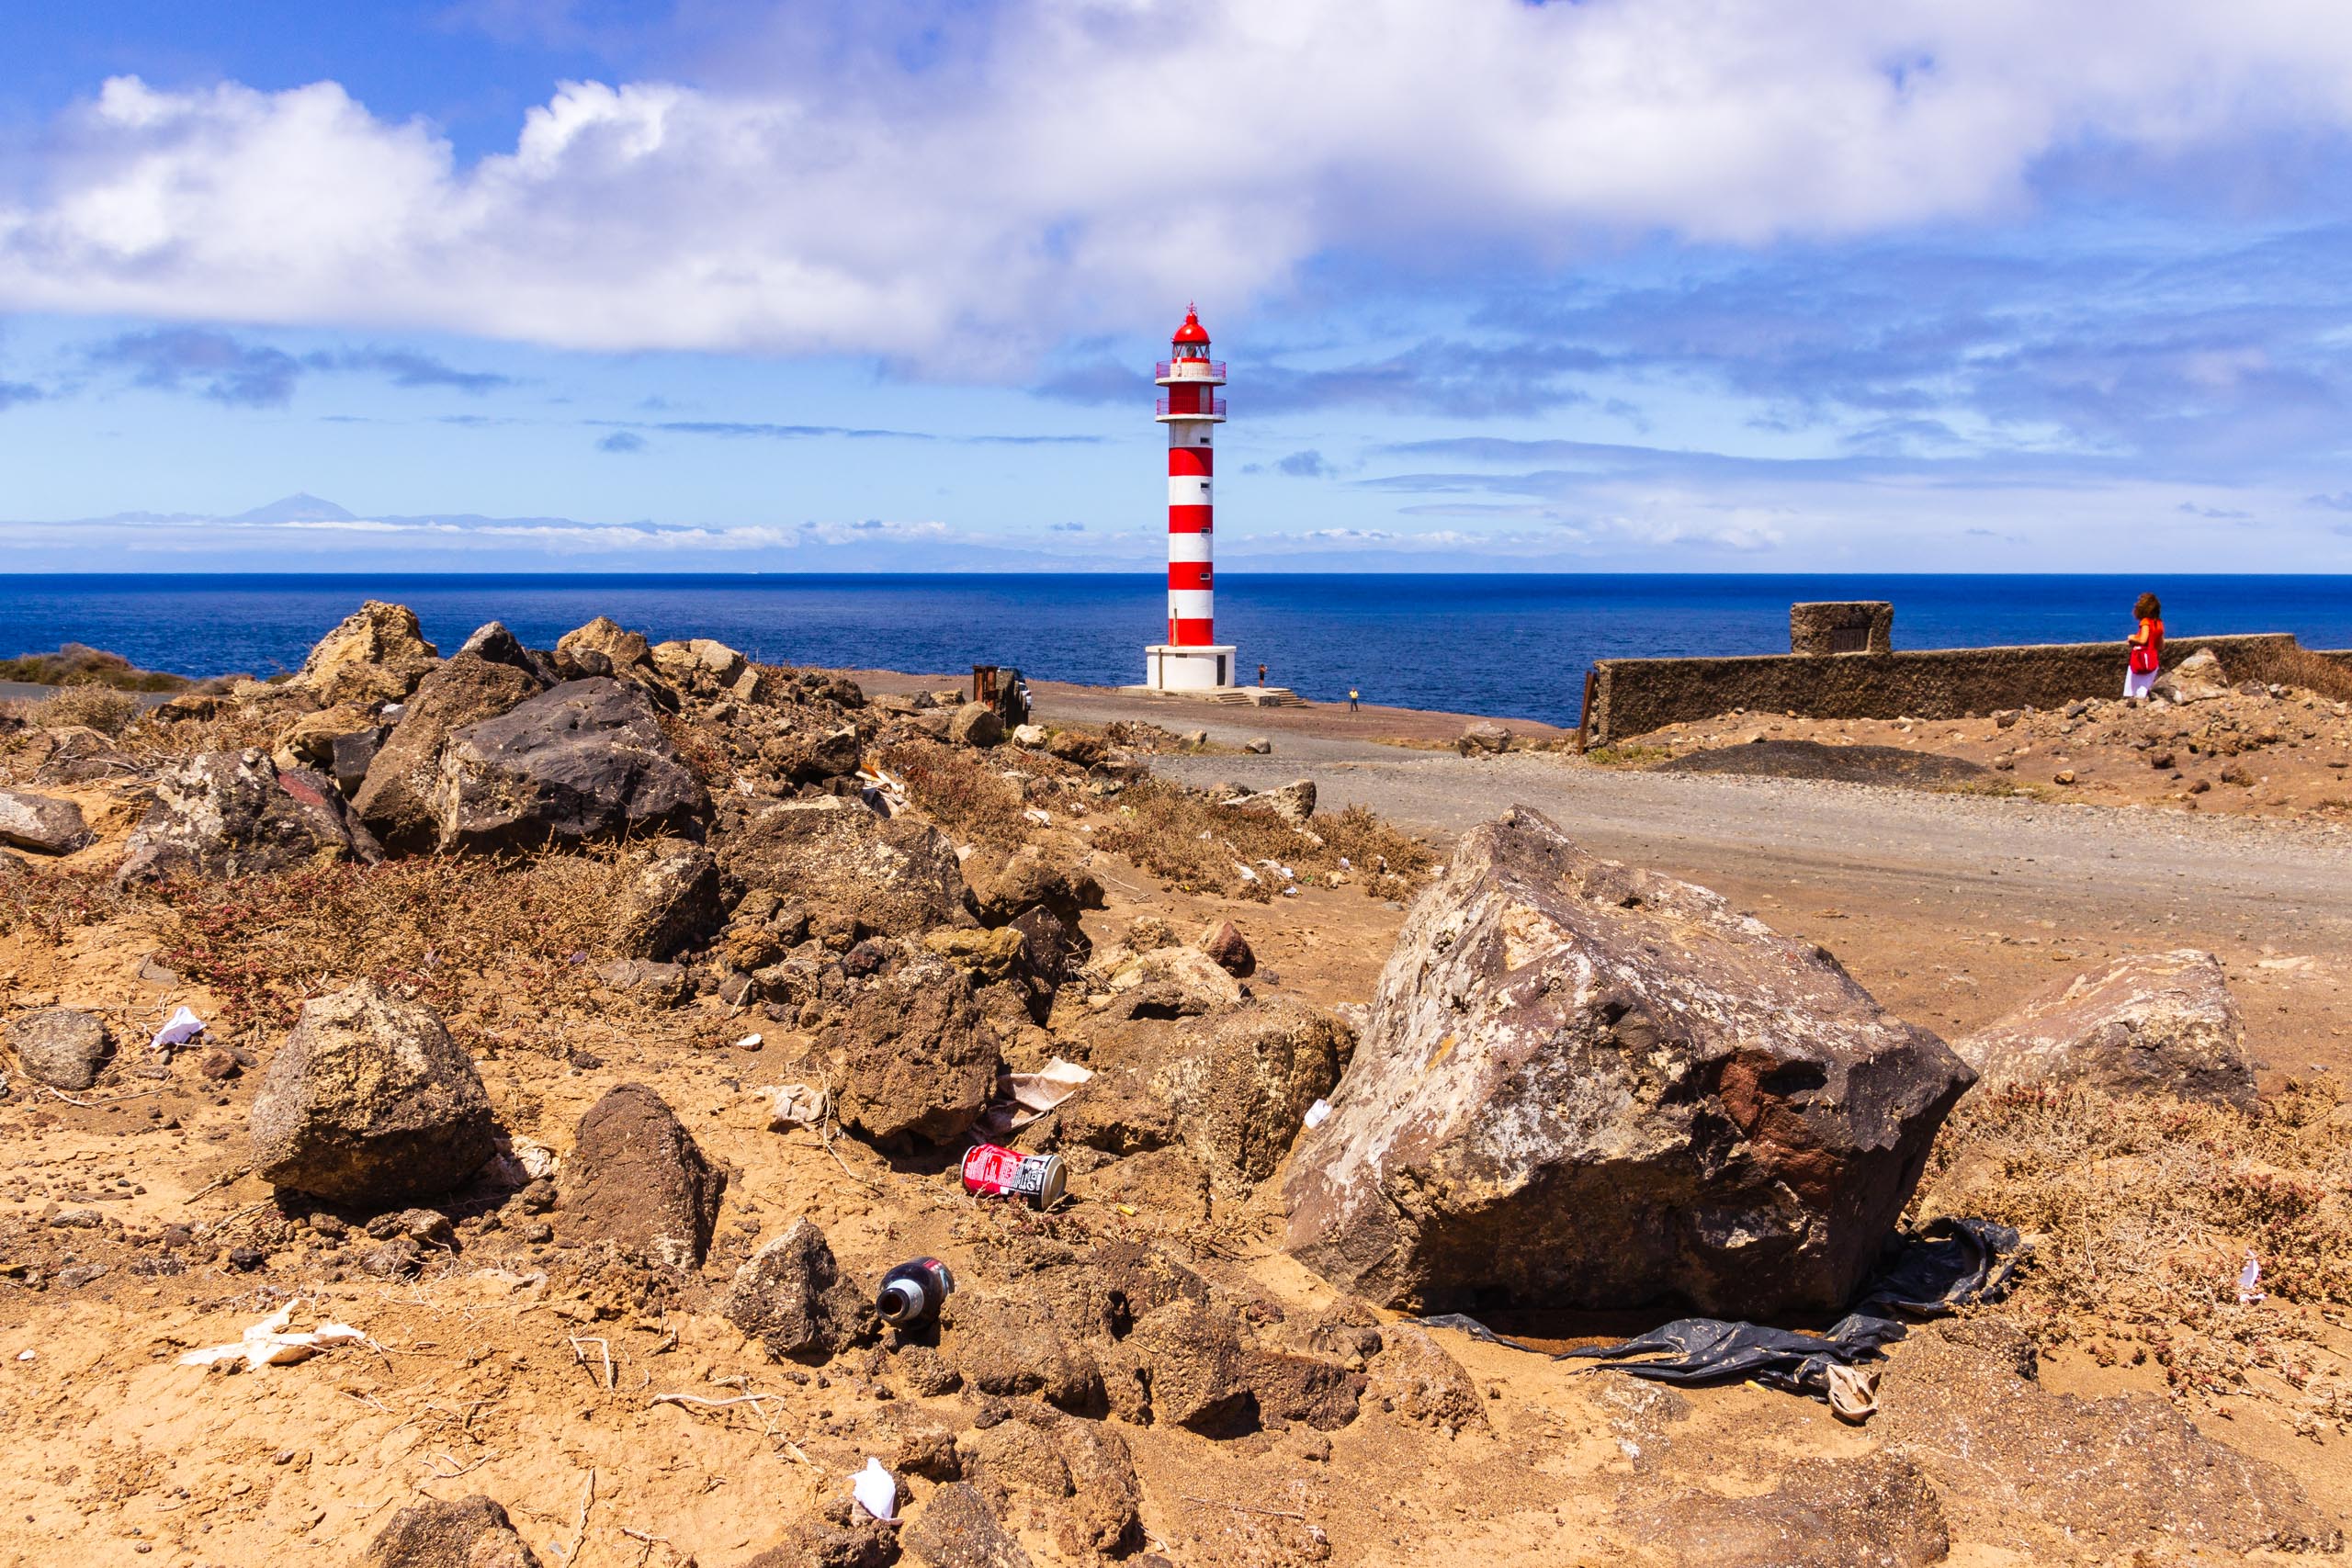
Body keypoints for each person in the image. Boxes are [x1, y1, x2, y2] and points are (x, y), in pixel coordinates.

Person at [2125, 592, 2164, 700]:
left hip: (2140, 660)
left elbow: (2143, 640)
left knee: (2134, 691)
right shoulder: (2159, 623)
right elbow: (2160, 645)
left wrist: (2132, 637)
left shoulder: (2145, 622)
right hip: (2152, 660)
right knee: (2147, 688)